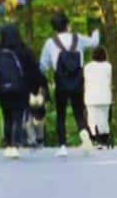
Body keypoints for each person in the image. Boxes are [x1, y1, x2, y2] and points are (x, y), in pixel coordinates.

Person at [0, 24, 45, 159]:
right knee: (18, 117)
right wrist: (36, 88)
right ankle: (15, 145)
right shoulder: (24, 52)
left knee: (7, 117)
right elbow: (33, 71)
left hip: (4, 90)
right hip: (21, 89)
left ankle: (9, 145)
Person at [39, 11, 98, 156]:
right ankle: (85, 137)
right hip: (78, 81)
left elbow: (43, 65)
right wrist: (96, 32)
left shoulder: (50, 42)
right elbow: (94, 43)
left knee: (61, 114)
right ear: (67, 24)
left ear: (54, 27)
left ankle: (62, 146)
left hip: (61, 82)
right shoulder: (78, 38)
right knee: (79, 111)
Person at [83, 45, 113, 147]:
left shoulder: (88, 67)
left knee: (92, 119)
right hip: (105, 96)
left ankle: (96, 139)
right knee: (104, 118)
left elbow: (86, 82)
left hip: (91, 96)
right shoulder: (108, 66)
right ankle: (105, 138)